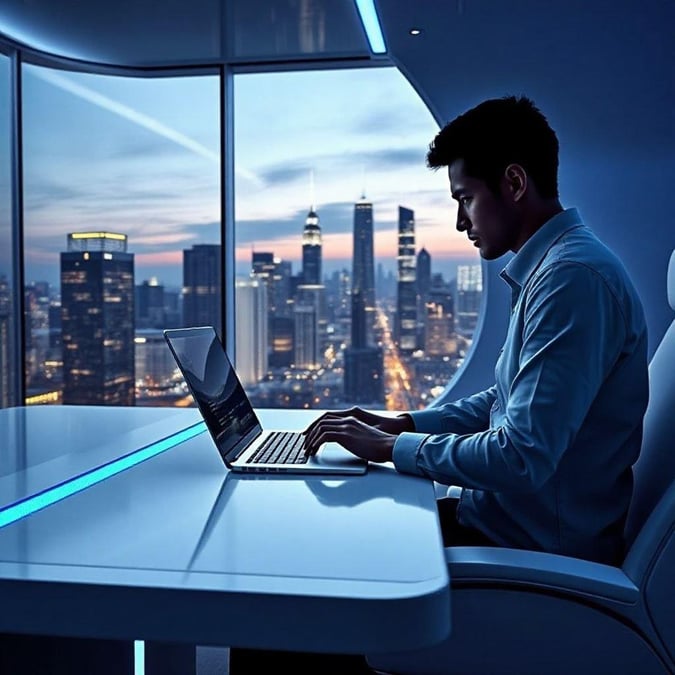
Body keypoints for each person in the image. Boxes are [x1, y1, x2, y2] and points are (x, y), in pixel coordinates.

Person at [304, 94, 649, 567]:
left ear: (513, 182)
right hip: (501, 524)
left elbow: (521, 456)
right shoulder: (552, 269)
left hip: (532, 556)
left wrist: (390, 448)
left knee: (310, 565)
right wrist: (403, 424)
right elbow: (503, 402)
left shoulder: (572, 280)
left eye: (465, 198)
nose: (460, 222)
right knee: (329, 538)